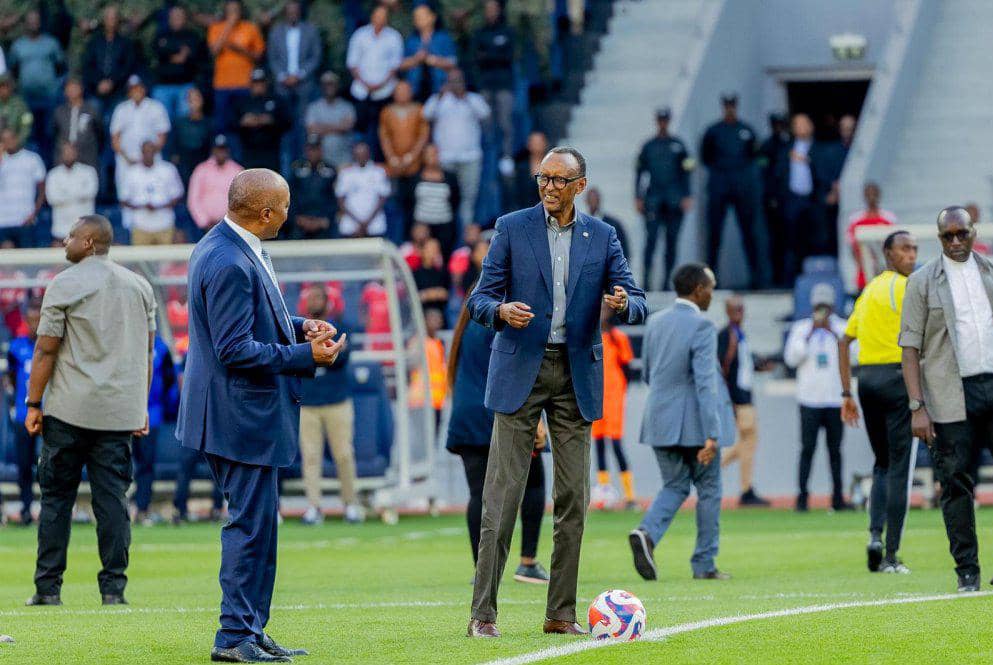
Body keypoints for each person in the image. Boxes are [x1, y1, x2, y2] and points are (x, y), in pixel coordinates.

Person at [465, 146, 647, 638]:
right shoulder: (511, 228)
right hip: (520, 368)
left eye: (559, 180)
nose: (549, 187)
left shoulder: (603, 236)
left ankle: (560, 614)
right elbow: (479, 299)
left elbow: (637, 299)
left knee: (573, 499)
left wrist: (624, 302)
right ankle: (483, 615)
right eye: (543, 178)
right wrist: (500, 312)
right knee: (502, 497)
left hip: (575, 373)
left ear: (580, 186)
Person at [176, 168, 345, 661]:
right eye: (285, 206)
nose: (290, 214)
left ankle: (251, 629)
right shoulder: (229, 259)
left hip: (239, 412)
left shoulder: (227, 245)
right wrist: (305, 356)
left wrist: (299, 326)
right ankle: (233, 636)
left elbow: (250, 320)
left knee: (261, 526)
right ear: (266, 212)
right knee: (250, 527)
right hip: (238, 416)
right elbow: (233, 348)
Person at [24, 214, 157, 607]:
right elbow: (147, 353)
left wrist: (33, 403)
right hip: (118, 412)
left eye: (71, 236)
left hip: (69, 409)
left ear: (88, 243)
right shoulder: (140, 285)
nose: (65, 242)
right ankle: (114, 590)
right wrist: (140, 406)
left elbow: (46, 349)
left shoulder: (64, 284)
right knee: (112, 500)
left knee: (56, 499)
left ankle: (48, 589)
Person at [899, 207, 993, 593]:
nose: (955, 242)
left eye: (961, 234)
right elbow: (909, 348)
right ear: (939, 238)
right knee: (955, 484)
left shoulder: (989, 271)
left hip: (991, 384)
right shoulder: (921, 282)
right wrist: (917, 406)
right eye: (947, 236)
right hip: (948, 395)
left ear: (973, 232)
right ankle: (967, 571)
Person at [629, 263, 735, 582]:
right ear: (699, 290)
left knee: (674, 485)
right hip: (695, 426)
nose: (712, 295)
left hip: (658, 419)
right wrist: (712, 434)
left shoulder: (656, 321)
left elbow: (648, 373)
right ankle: (704, 563)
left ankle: (647, 533)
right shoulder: (703, 326)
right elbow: (705, 383)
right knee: (710, 489)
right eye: (711, 288)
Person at [446, 297, 550, 586]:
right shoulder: (504, 316)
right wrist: (535, 419)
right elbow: (516, 368)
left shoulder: (467, 322)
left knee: (479, 494)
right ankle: (527, 563)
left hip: (466, 413)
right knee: (534, 482)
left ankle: (482, 569)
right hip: (501, 412)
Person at [839, 229, 918, 575]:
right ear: (888, 254)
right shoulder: (908, 288)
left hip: (867, 381)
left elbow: (844, 341)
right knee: (900, 467)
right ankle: (891, 555)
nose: (912, 255)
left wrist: (846, 393)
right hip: (897, 377)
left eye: (914, 249)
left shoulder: (869, 290)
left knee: (882, 463)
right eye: (905, 249)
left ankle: (874, 537)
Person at [298, 285, 363, 525]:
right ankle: (314, 506)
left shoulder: (341, 327)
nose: (314, 301)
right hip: (308, 403)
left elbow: (340, 357)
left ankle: (350, 503)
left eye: (318, 297)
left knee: (344, 454)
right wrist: (321, 354)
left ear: (327, 302)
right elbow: (300, 358)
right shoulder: (301, 330)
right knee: (310, 456)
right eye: (310, 298)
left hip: (337, 401)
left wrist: (316, 355)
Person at [784, 284, 849, 511]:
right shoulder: (801, 328)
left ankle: (838, 498)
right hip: (809, 400)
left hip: (835, 399)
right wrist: (811, 333)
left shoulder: (842, 328)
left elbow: (855, 356)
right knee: (807, 449)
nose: (823, 311)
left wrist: (834, 334)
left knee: (835, 451)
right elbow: (792, 358)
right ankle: (802, 498)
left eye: (826, 307)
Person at [701, 93, 760, 287]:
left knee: (748, 231)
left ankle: (756, 278)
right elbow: (706, 157)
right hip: (719, 186)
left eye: (732, 105)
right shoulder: (713, 131)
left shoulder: (746, 130)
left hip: (741, 187)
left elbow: (753, 156)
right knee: (714, 234)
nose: (730, 108)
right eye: (727, 105)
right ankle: (710, 279)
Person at [717, 296, 769, 506]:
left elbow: (742, 366)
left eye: (741, 309)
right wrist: (728, 400)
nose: (740, 312)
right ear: (727, 311)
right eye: (735, 309)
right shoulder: (726, 335)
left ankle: (744, 486)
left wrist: (759, 365)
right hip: (738, 398)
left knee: (748, 442)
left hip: (744, 395)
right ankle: (744, 488)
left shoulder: (739, 335)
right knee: (748, 441)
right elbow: (723, 368)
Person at [423, 69, 490, 227]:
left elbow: (485, 113)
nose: (455, 84)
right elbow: (426, 114)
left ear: (464, 82)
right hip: (445, 159)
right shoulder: (439, 99)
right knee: (446, 200)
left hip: (470, 158)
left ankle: (466, 235)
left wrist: (464, 96)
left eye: (458, 80)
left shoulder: (473, 99)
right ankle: (449, 234)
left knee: (469, 199)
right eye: (452, 81)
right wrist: (440, 95)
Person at [635, 107, 692, 290]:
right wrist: (638, 197)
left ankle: (667, 282)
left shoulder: (678, 145)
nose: (663, 123)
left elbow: (687, 172)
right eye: (660, 119)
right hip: (654, 199)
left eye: (665, 120)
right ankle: (646, 281)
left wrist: (687, 195)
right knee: (651, 241)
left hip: (674, 200)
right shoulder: (648, 146)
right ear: (656, 121)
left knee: (671, 242)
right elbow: (639, 172)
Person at [590, 302, 636, 510]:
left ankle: (630, 496)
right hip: (596, 397)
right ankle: (603, 490)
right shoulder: (591, 337)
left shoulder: (619, 338)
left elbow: (627, 369)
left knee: (616, 444)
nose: (602, 312)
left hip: (614, 398)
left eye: (605, 309)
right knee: (599, 443)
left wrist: (620, 391)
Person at [267, 0, 322, 168]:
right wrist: (283, 76)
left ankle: (302, 165)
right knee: (284, 129)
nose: (292, 14)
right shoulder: (276, 32)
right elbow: (272, 57)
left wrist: (300, 74)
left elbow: (316, 56)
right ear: (285, 13)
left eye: (295, 11)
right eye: (289, 11)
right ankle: (285, 168)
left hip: (304, 85)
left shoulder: (310, 30)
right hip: (282, 86)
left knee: (303, 127)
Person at [775, 113, 826, 284]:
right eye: (797, 124)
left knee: (816, 239)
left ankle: (817, 277)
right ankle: (789, 280)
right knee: (791, 241)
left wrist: (807, 160)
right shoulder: (786, 149)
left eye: (805, 123)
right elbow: (777, 174)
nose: (801, 127)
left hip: (813, 200)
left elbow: (825, 172)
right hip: (792, 200)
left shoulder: (819, 149)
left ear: (811, 126)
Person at [5, 298, 42, 525]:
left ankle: (50, 509)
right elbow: (10, 376)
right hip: (23, 414)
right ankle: (26, 508)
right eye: (31, 320)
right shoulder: (16, 348)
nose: (34, 325)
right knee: (24, 465)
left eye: (38, 319)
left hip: (49, 415)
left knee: (51, 465)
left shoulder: (51, 346)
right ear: (26, 321)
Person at [8, 9, 64, 160]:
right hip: (27, 99)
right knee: (28, 133)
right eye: (30, 21)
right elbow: (13, 69)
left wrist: (55, 86)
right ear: (25, 24)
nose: (33, 24)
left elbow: (61, 67)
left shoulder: (51, 43)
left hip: (48, 98)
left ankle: (47, 165)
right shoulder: (18, 45)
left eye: (36, 21)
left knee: (48, 133)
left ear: (40, 23)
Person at [132, 336, 176, 526]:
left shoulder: (161, 349)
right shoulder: (129, 340)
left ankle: (141, 508)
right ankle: (130, 507)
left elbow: (169, 381)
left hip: (151, 414)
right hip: (127, 413)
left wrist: (167, 409)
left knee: (146, 463)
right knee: (127, 463)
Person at [346, 3, 403, 147]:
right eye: (377, 15)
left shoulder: (394, 37)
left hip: (384, 92)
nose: (380, 19)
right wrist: (366, 84)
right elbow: (352, 63)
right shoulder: (360, 35)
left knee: (382, 132)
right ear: (372, 16)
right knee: (360, 131)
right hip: (362, 91)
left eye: (383, 16)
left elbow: (395, 66)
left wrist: (379, 85)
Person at [471, 0, 516, 176]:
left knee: (505, 122)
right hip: (486, 84)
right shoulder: (479, 32)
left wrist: (488, 55)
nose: (490, 12)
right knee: (485, 124)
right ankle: (488, 157)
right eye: (487, 9)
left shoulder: (508, 31)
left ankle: (507, 156)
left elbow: (509, 56)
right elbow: (476, 57)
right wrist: (496, 53)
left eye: (493, 9)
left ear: (499, 10)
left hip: (504, 84)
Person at [207, 0, 265, 133]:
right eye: (230, 10)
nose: (233, 13)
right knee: (221, 124)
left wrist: (241, 50)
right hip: (222, 84)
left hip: (245, 84)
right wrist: (228, 26)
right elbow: (214, 51)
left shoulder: (250, 28)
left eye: (236, 10)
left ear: (241, 11)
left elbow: (259, 56)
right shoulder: (216, 28)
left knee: (245, 123)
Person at [379, 79, 429, 227]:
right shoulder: (387, 112)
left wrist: (412, 156)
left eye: (405, 91)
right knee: (394, 202)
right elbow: (384, 136)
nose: (402, 94)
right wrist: (391, 157)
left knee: (414, 203)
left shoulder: (419, 109)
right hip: (394, 166)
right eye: (399, 91)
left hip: (414, 165)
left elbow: (423, 135)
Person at [110, 75, 171, 196]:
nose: (136, 91)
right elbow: (115, 139)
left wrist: (147, 158)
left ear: (144, 89)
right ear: (128, 91)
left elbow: (162, 137)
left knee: (154, 195)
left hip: (151, 160)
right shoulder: (121, 109)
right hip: (126, 161)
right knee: (126, 197)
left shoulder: (156, 107)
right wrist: (128, 158)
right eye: (132, 88)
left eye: (138, 88)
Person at [119, 141, 184, 245]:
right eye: (146, 152)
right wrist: (142, 206)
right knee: (140, 255)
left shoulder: (168, 169)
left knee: (166, 255)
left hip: (164, 223)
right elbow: (123, 200)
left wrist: (160, 206)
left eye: (151, 151)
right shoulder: (132, 172)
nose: (148, 154)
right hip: (140, 224)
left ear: (155, 152)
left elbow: (178, 195)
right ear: (141, 152)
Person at [152, 5, 207, 122]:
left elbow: (194, 56)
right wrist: (178, 53)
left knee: (185, 121)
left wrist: (169, 53)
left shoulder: (193, 36)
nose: (177, 19)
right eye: (174, 16)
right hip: (163, 86)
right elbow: (158, 52)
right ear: (169, 18)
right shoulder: (161, 35)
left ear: (185, 18)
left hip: (185, 86)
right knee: (161, 121)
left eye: (180, 16)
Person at [80, 5, 137, 119]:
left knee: (117, 121)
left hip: (118, 91)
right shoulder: (94, 42)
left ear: (118, 21)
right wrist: (99, 82)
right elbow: (87, 66)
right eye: (108, 18)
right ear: (104, 20)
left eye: (114, 18)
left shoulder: (126, 43)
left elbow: (128, 66)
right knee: (93, 120)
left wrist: (112, 82)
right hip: (96, 90)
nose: (111, 22)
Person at [231, 69, 289, 170]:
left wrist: (271, 121)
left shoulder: (276, 100)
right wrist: (243, 122)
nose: (258, 85)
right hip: (248, 150)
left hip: (271, 150)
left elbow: (288, 122)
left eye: (261, 82)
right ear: (251, 84)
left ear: (266, 83)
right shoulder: (242, 102)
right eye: (256, 82)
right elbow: (230, 124)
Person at [187, 134, 243, 238]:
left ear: (228, 151)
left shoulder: (237, 170)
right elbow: (193, 199)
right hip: (204, 228)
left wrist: (232, 223)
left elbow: (243, 200)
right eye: (218, 149)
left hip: (231, 228)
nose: (221, 153)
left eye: (223, 149)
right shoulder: (201, 170)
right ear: (213, 150)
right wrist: (204, 222)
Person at [400, 4, 457, 103]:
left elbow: (453, 62)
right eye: (416, 17)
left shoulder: (443, 38)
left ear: (433, 17)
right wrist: (416, 59)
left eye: (421, 16)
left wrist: (432, 60)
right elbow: (401, 64)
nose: (418, 19)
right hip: (416, 90)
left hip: (440, 89)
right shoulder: (412, 40)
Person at [412, 143, 461, 259]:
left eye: (434, 154)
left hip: (444, 225)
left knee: (443, 258)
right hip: (422, 225)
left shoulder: (450, 177)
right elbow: (409, 202)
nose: (432, 157)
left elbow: (456, 199)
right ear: (423, 157)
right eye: (428, 154)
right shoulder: (415, 178)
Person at [758, 112, 790, 286]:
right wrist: (769, 196)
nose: (778, 127)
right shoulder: (766, 146)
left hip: (788, 199)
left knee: (789, 241)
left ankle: (787, 276)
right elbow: (764, 173)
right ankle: (774, 278)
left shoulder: (789, 144)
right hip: (772, 200)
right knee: (772, 241)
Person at [0, 128, 46, 248]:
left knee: (27, 257)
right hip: (3, 221)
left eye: (10, 139)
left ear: (16, 139)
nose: (8, 142)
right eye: (4, 140)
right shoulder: (1, 160)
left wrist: (34, 213)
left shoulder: (32, 158)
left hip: (25, 220)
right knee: (6, 257)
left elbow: (42, 190)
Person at [847, 182, 897, 290]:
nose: (871, 197)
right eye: (868, 194)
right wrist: (864, 266)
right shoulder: (855, 220)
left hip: (885, 272)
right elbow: (853, 248)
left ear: (879, 195)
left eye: (874, 194)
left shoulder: (889, 219)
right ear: (864, 196)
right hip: (864, 274)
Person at [45, 142, 98, 244]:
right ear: (61, 155)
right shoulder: (53, 174)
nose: (68, 155)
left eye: (71, 152)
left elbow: (91, 192)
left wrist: (65, 193)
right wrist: (78, 193)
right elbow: (52, 198)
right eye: (66, 152)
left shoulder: (89, 172)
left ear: (76, 153)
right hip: (61, 230)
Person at [335, 142, 390, 238]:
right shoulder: (346, 173)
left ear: (368, 154)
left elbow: (382, 198)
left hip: (374, 224)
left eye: (363, 154)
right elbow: (340, 199)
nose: (361, 157)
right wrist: (358, 222)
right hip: (351, 224)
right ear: (354, 155)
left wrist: (367, 222)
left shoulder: (379, 172)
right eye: (358, 154)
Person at [287, 135, 337, 240]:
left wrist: (326, 220)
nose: (313, 153)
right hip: (300, 221)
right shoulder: (296, 169)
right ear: (306, 150)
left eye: (316, 149)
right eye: (310, 149)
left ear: (321, 150)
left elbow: (334, 198)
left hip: (324, 222)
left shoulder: (330, 170)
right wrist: (298, 219)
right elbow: (291, 196)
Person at [305, 72, 357, 170]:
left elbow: (347, 126)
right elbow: (312, 130)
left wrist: (322, 127)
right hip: (321, 161)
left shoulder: (347, 107)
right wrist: (338, 127)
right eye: (326, 84)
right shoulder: (314, 107)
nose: (329, 87)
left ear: (337, 85)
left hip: (344, 158)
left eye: (332, 84)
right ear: (321, 86)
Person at [52, 78, 103, 170]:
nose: (71, 90)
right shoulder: (59, 112)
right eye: (68, 88)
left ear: (81, 89)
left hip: (87, 158)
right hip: (64, 159)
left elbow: (100, 133)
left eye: (74, 87)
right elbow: (53, 133)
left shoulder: (91, 110)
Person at [168, 87, 212, 186]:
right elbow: (174, 146)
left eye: (196, 99)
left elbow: (211, 146)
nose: (194, 102)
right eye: (191, 99)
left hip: (203, 162)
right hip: (184, 163)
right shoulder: (179, 122)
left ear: (202, 100)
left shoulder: (209, 123)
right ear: (187, 102)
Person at [585, 187, 629, 261]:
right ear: (586, 201)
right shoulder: (580, 225)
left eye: (595, 199)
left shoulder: (613, 225)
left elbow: (624, 249)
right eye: (591, 199)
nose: (593, 202)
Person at [412, 238, 450, 321]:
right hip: (421, 313)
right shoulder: (415, 273)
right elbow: (414, 297)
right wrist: (430, 294)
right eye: (431, 249)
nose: (434, 252)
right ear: (422, 251)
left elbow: (445, 293)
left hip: (440, 313)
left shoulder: (442, 272)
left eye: (436, 249)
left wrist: (429, 294)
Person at [513, 131, 548, 209]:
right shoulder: (521, 168)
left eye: (539, 142)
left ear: (545, 144)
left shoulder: (553, 168)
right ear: (528, 145)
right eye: (534, 142)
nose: (537, 145)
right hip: (524, 209)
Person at [0, 73, 33, 147]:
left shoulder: (21, 105)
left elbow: (27, 125)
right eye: (1, 87)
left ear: (11, 88)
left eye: (6, 87)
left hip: (16, 143)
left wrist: (18, 141)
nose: (3, 90)